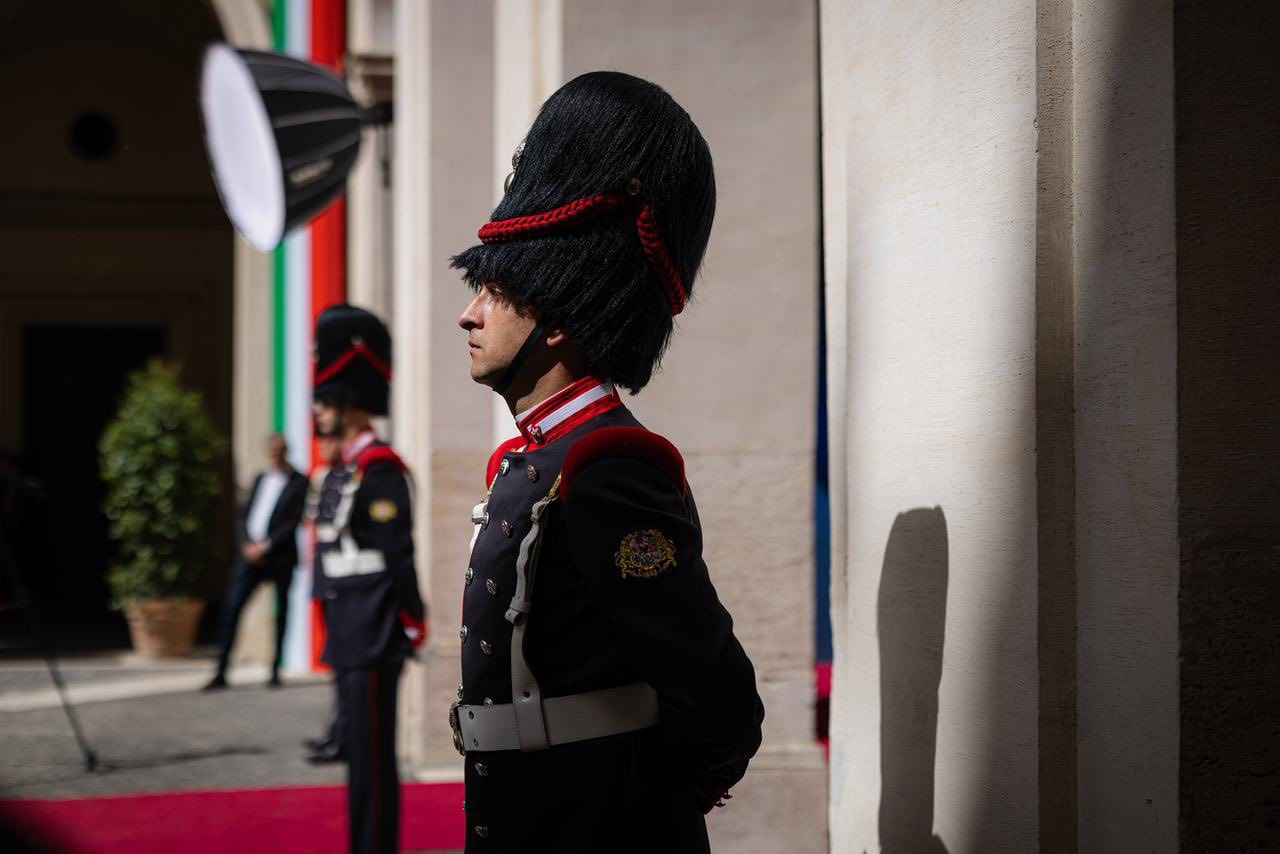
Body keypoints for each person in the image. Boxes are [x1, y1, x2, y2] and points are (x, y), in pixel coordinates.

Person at [448, 71, 765, 853]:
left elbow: (717, 697)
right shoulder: (533, 461)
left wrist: (650, 808)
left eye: (493, 293)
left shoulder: (609, 467)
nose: (468, 314)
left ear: (556, 315)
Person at [311, 304, 426, 854]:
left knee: (374, 763)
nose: (318, 413)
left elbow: (396, 555)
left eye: (325, 403)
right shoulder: (348, 469)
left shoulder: (379, 468)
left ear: (350, 405)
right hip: (350, 630)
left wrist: (411, 619)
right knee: (358, 757)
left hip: (375, 630)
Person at [205, 433, 306, 690]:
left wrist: (267, 545)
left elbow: (292, 521)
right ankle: (221, 670)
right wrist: (247, 544)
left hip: (279, 557)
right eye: (272, 452)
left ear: (286, 452)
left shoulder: (299, 482)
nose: (275, 456)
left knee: (281, 613)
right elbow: (244, 515)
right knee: (232, 609)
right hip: (250, 556)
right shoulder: (261, 479)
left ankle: (275, 670)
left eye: (280, 452)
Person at [302, 433, 349, 764]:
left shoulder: (352, 478)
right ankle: (337, 730)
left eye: (331, 439)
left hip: (344, 584)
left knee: (347, 666)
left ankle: (342, 734)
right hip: (326, 580)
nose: (325, 446)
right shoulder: (323, 478)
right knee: (337, 664)